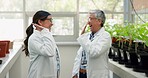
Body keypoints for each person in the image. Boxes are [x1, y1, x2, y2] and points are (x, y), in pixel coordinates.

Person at [72, 9, 112, 78]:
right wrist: (75, 72)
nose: (88, 22)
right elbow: (79, 56)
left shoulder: (105, 36)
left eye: (90, 19)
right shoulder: (87, 36)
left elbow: (94, 52)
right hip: (81, 74)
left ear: (99, 21)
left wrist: (82, 38)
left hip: (95, 75)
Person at [23, 10, 60, 78]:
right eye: (49, 20)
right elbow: (49, 52)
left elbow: (55, 58)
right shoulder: (34, 38)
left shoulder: (45, 36)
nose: (52, 24)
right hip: (38, 75)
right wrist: (46, 31)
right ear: (40, 22)